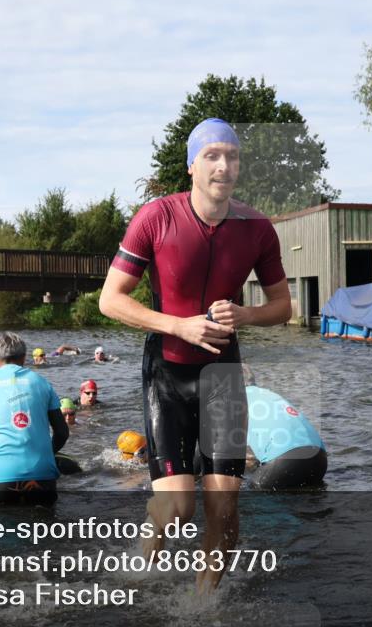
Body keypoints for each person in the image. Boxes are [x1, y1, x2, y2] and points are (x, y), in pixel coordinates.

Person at [98, 117, 291, 592]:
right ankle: (153, 531)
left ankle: (203, 608)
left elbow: (284, 307)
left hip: (222, 375)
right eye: (212, 155)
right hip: (167, 372)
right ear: (191, 166)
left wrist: (245, 317)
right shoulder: (156, 217)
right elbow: (110, 299)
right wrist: (177, 324)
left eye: (232, 156)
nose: (223, 166)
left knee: (223, 508)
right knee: (180, 509)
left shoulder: (258, 229)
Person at [0, 332, 70, 505]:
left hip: (2, 479)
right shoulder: (42, 383)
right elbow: (62, 433)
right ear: (24, 358)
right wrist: (46, 453)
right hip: (43, 477)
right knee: (46, 528)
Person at [243, 386, 327, 490]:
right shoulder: (266, 394)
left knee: (248, 490)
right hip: (320, 459)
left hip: (285, 461)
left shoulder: (232, 400)